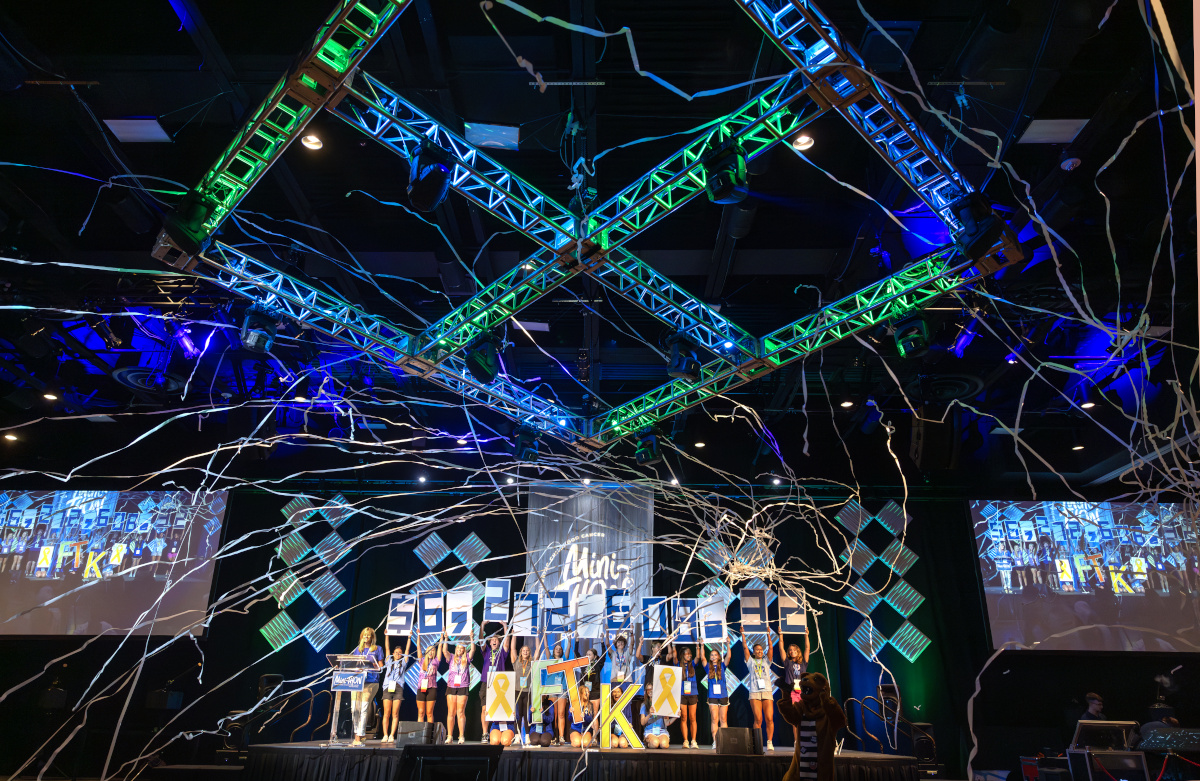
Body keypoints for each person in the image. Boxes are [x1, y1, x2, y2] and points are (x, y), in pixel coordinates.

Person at [744, 628, 783, 751]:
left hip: (767, 691)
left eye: (761, 650)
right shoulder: (750, 661)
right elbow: (745, 648)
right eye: (757, 650)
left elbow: (771, 649)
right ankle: (757, 742)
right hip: (755, 692)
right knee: (758, 719)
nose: (759, 651)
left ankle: (769, 742)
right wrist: (743, 635)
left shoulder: (766, 661)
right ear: (754, 652)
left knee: (769, 718)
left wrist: (768, 635)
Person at [350, 627, 385, 747]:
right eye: (364, 635)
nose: (366, 637)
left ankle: (358, 738)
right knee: (354, 709)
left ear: (372, 637)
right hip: (357, 681)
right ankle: (361, 735)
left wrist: (375, 666)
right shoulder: (357, 650)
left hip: (371, 682)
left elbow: (381, 666)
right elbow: (352, 664)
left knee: (363, 709)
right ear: (361, 637)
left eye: (368, 635)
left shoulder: (377, 649)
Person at [479, 622, 511, 743]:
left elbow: (506, 641)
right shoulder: (486, 651)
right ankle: (484, 733)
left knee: (499, 709)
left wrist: (504, 626)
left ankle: (501, 732)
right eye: (492, 639)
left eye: (496, 640)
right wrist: (482, 626)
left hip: (499, 683)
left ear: (499, 642)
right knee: (485, 710)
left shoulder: (502, 652)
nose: (494, 641)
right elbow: (481, 640)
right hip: (486, 682)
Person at [443, 632, 476, 743]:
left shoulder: (466, 658)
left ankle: (461, 736)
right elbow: (444, 651)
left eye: (462, 649)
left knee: (460, 712)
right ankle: (449, 736)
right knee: (450, 712)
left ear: (463, 650)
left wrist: (471, 638)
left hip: (463, 686)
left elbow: (473, 650)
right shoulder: (451, 657)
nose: (459, 650)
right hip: (451, 686)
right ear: (456, 649)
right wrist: (446, 638)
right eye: (458, 648)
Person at [381, 632, 414, 742]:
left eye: (400, 653)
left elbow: (407, 651)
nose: (397, 654)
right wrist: (386, 636)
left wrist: (409, 638)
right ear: (393, 653)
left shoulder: (403, 663)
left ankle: (391, 735)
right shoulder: (388, 661)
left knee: (395, 713)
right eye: (396, 652)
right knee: (387, 713)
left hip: (398, 687)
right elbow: (387, 648)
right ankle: (385, 735)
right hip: (387, 687)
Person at [703, 642, 732, 750]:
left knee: (723, 719)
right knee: (714, 719)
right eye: (712, 655)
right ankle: (715, 741)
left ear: (719, 657)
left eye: (716, 655)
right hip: (712, 696)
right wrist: (701, 646)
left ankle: (724, 741)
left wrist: (728, 644)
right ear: (710, 658)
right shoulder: (707, 667)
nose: (714, 657)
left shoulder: (723, 666)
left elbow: (729, 656)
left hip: (723, 695)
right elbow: (702, 658)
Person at [415, 632, 445, 726]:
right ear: (426, 652)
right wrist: (419, 635)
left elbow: (440, 647)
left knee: (429, 713)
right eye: (429, 650)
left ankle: (429, 734)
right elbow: (418, 648)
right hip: (421, 688)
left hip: (432, 688)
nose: (431, 652)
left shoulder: (436, 660)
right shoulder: (422, 660)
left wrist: (442, 636)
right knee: (420, 712)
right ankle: (420, 734)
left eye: (432, 650)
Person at [511, 633, 534, 746]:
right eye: (523, 650)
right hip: (517, 691)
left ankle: (527, 736)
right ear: (521, 652)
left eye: (527, 650)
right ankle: (517, 736)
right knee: (518, 715)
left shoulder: (531, 663)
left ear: (530, 653)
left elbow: (539, 652)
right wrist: (514, 635)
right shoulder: (516, 662)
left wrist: (538, 636)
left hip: (527, 692)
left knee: (526, 715)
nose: (525, 652)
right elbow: (512, 648)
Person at [678, 644, 700, 748]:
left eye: (690, 653)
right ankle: (685, 741)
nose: (689, 655)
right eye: (687, 653)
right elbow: (673, 655)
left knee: (693, 717)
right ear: (682, 655)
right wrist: (673, 644)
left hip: (693, 693)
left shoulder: (693, 665)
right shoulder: (678, 664)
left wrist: (698, 647)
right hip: (682, 694)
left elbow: (698, 657)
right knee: (684, 717)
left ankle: (694, 741)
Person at [783, 632, 812, 696]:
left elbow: (807, 649)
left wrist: (806, 636)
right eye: (790, 650)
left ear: (798, 651)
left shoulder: (803, 663)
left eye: (794, 649)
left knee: (800, 706)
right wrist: (780, 635)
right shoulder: (788, 662)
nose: (792, 651)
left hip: (801, 691)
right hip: (790, 691)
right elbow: (781, 649)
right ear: (788, 652)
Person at [568, 681, 596, 747]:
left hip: (586, 729)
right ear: (580, 693)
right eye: (585, 692)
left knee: (586, 744)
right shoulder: (574, 704)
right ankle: (577, 738)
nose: (587, 694)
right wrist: (571, 713)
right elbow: (570, 719)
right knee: (577, 744)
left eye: (588, 692)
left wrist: (585, 716)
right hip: (575, 729)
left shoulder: (589, 705)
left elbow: (590, 719)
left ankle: (586, 738)